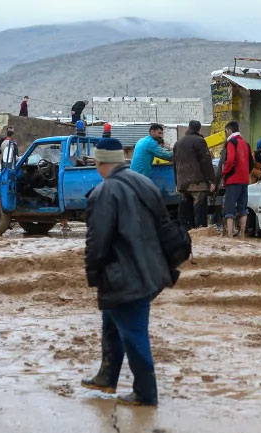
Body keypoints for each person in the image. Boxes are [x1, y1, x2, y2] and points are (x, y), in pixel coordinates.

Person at [81, 135, 173, 407]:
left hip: (123, 276)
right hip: (149, 271)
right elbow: (165, 226)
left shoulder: (104, 192)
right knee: (111, 324)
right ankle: (107, 376)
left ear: (100, 163)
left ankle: (145, 394)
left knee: (134, 333)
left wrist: (93, 275)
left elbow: (96, 242)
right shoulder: (145, 183)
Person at [174, 120, 215, 229]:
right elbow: (206, 162)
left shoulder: (178, 143)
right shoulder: (200, 141)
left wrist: (177, 183)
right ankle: (200, 233)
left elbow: (174, 164)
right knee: (200, 212)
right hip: (198, 183)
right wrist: (211, 181)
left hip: (182, 183)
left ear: (188, 127)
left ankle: (187, 233)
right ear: (199, 129)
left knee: (185, 212)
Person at [222, 121, 253, 238]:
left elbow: (230, 160)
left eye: (226, 132)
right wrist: (245, 173)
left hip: (233, 180)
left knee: (229, 209)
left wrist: (225, 172)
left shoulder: (231, 142)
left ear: (229, 131)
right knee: (243, 209)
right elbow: (251, 162)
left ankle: (230, 236)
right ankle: (242, 236)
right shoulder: (246, 143)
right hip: (244, 180)